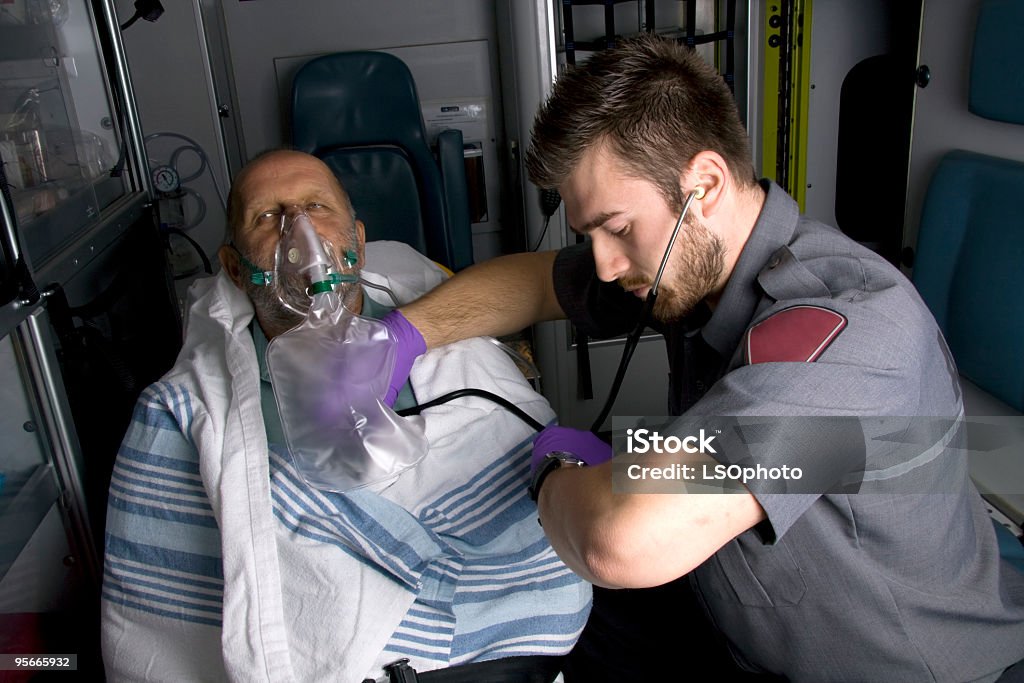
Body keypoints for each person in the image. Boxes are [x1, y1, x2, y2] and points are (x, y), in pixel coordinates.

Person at [381, 36, 1024, 682]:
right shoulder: (690, 261)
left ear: (706, 184)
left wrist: (549, 474)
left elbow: (620, 540)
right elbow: (535, 283)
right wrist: (401, 336)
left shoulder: (857, 338)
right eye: (590, 235)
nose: (603, 262)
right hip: (736, 613)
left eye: (618, 228)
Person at [100, 150, 590, 682]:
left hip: (522, 654)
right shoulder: (188, 412)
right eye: (268, 218)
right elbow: (158, 637)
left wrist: (622, 478)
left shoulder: (451, 344)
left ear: (357, 242)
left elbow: (645, 516)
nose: (300, 233)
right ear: (236, 268)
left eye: (316, 206)